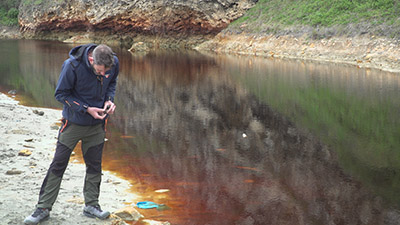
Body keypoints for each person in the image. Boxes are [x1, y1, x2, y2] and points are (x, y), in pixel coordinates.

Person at [24, 43, 119, 225]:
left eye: (105, 72)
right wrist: (86, 109)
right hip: (72, 124)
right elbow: (61, 94)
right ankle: (43, 208)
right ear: (91, 60)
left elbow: (112, 83)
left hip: (97, 125)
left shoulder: (113, 62)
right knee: (59, 163)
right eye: (99, 71)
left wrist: (109, 100)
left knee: (94, 165)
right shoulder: (71, 66)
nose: (102, 75)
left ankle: (91, 205)